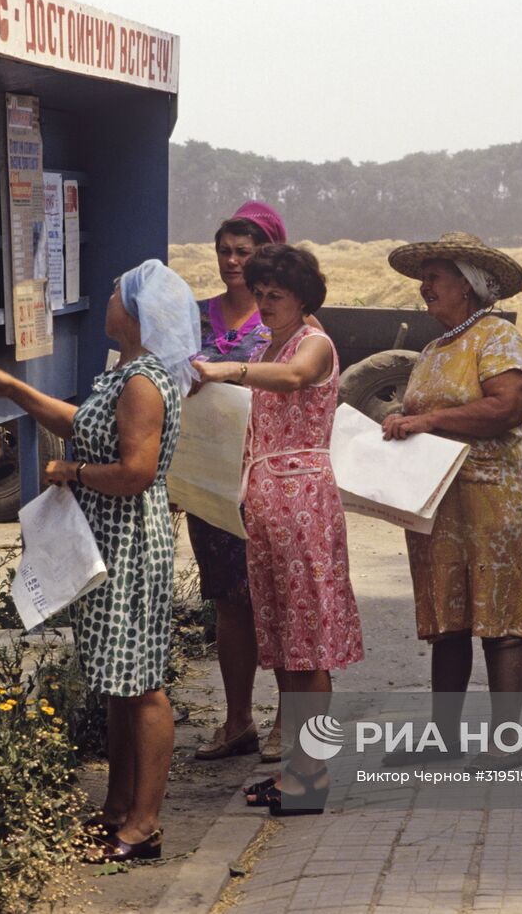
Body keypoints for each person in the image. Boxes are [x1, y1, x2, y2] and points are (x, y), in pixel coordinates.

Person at [0, 259, 199, 861]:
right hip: (108, 539)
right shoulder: (124, 373)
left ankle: (143, 824)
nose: (108, 300)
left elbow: (136, 471)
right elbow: (82, 423)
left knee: (142, 685)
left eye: (117, 293)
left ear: (138, 314)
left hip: (128, 542)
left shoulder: (144, 381)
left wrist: (70, 471)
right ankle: (117, 809)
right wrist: (18, 391)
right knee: (118, 685)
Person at [193, 243, 363, 816]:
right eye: (260, 294)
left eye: (277, 295)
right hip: (269, 502)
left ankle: (311, 779)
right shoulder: (274, 340)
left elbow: (293, 379)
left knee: (309, 648)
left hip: (302, 500)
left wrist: (227, 368)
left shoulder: (312, 344)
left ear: (303, 299)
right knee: (289, 645)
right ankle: (297, 773)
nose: (265, 304)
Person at [381, 232, 522, 772]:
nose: (424, 286)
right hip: (437, 503)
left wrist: (427, 420)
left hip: (489, 497)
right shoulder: (432, 351)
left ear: (470, 285)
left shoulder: (496, 337)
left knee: (499, 612)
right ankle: (443, 737)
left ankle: (505, 742)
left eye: (435, 276)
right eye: (424, 277)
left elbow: (507, 409)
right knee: (446, 614)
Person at [190, 200, 290, 764]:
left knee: (275, 600)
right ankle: (236, 721)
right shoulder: (196, 316)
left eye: (244, 252)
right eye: (225, 251)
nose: (232, 262)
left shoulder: (289, 325)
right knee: (229, 603)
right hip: (211, 483)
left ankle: (286, 722)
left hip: (269, 483)